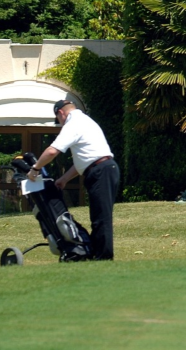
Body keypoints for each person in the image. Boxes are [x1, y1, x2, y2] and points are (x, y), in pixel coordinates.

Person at [26, 99, 120, 260]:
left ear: (61, 113)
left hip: (101, 171)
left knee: (101, 217)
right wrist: (64, 179)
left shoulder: (73, 123)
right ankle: (97, 254)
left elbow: (52, 151)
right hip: (102, 169)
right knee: (98, 216)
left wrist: (35, 169)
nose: (60, 124)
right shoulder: (85, 121)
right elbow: (85, 160)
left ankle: (104, 258)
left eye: (58, 120)